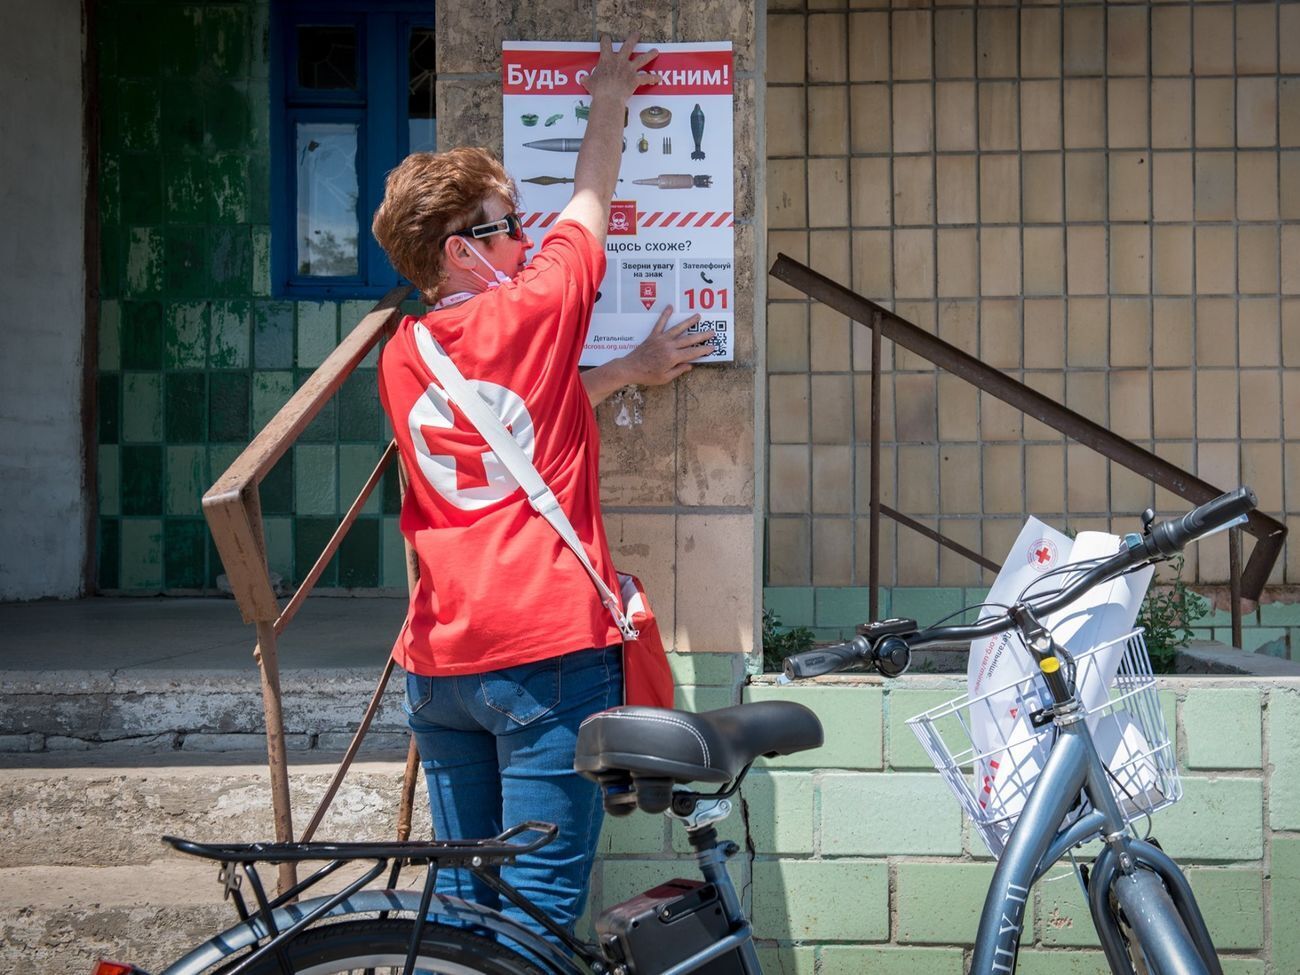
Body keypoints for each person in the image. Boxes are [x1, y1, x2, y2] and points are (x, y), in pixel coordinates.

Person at [370, 33, 713, 955]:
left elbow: (505, 428)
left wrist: (627, 371)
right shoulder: (533, 305)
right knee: (532, 905)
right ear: (460, 249)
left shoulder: (403, 356)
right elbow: (593, 202)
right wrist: (609, 94)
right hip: (543, 650)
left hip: (440, 664)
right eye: (505, 223)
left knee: (462, 904)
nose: (525, 238)